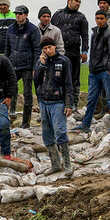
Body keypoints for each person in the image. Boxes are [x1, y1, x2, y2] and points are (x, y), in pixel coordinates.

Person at [34, 37, 74, 176]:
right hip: (44, 102)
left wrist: (69, 104)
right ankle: (55, 164)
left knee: (60, 132)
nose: (48, 50)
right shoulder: (40, 62)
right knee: (47, 134)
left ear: (55, 47)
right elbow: (36, 81)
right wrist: (42, 65)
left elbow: (68, 83)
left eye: (50, 47)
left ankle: (68, 165)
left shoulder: (63, 61)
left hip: (58, 102)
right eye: (45, 48)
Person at [74, 10, 110, 132]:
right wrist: (91, 68)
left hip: (105, 72)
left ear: (105, 19)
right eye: (97, 18)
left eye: (101, 18)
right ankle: (85, 125)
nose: (99, 20)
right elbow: (93, 53)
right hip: (94, 72)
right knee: (91, 100)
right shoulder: (94, 34)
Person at [51, 0, 89, 113]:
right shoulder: (57, 15)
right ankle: (57, 102)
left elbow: (85, 35)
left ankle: (73, 104)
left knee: (74, 79)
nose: (78, 4)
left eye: (80, 2)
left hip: (74, 53)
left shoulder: (81, 17)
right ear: (69, 1)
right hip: (58, 54)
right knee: (57, 78)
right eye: (76, 1)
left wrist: (84, 51)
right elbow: (51, 31)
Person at [4, 5, 41, 128]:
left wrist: (35, 67)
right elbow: (7, 48)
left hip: (26, 66)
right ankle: (7, 116)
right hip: (12, 64)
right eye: (16, 13)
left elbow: (37, 49)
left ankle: (26, 122)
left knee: (27, 93)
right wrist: (5, 63)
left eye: (20, 13)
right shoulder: (10, 29)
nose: (18, 15)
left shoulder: (33, 29)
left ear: (26, 15)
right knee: (8, 90)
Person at [94, 0, 110, 118]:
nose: (102, 5)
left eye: (105, 3)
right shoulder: (102, 17)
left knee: (106, 88)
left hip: (107, 58)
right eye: (100, 3)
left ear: (109, 4)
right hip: (100, 58)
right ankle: (100, 110)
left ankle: (108, 111)